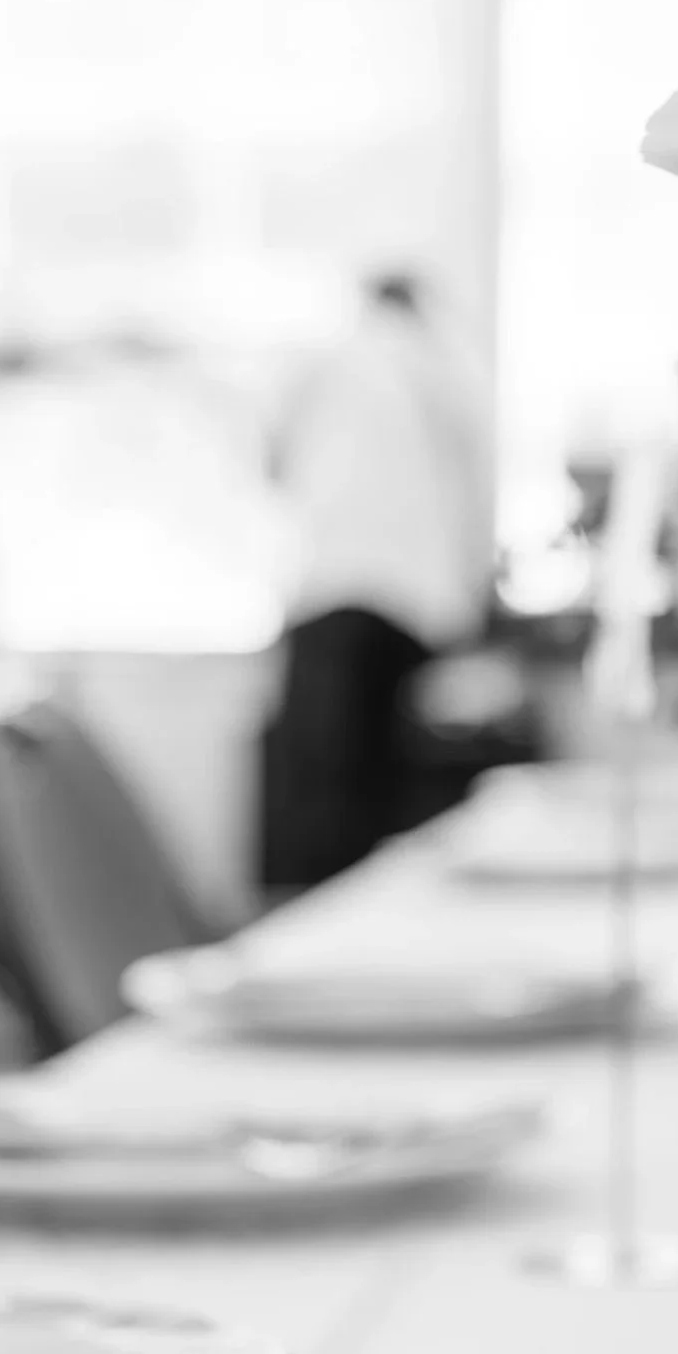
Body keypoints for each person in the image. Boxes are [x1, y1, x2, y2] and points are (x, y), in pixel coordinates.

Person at [258, 272, 491, 892]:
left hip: (335, 593)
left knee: (327, 799)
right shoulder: (443, 368)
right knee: (383, 796)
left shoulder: (325, 362)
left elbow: (271, 462)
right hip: (414, 604)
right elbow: (474, 491)